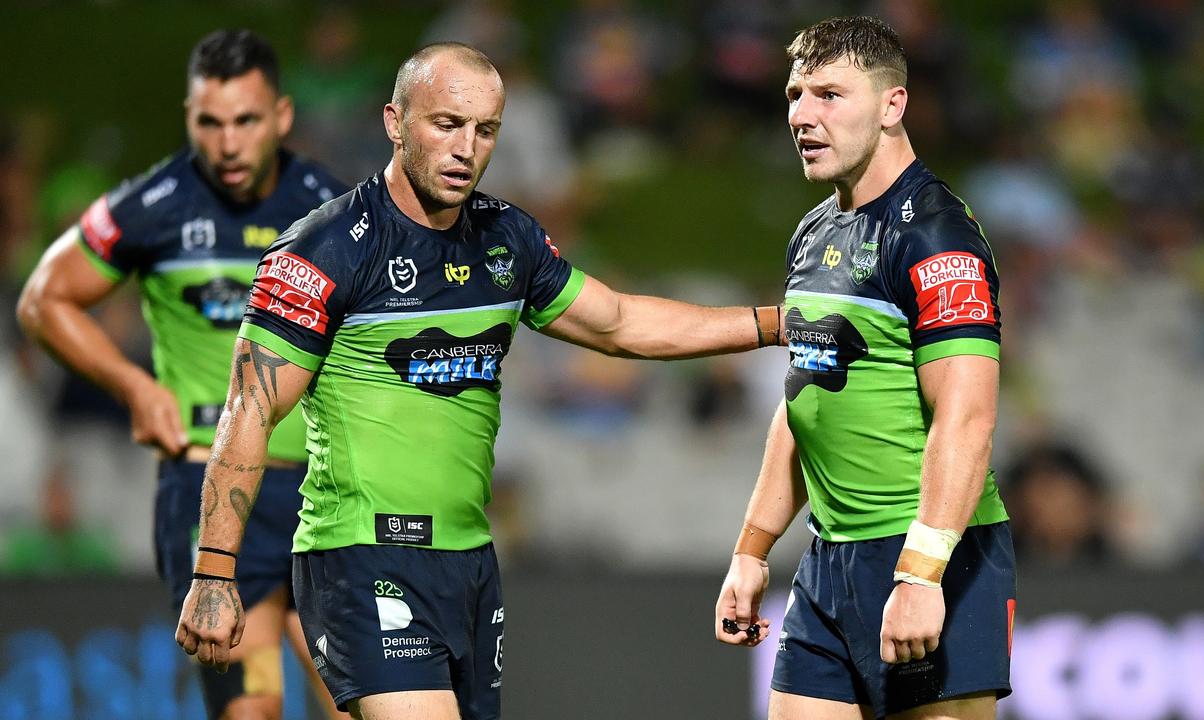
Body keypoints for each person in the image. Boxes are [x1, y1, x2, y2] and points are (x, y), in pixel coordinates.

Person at [172, 42, 783, 720]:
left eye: (485, 130)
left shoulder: (507, 239)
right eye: (445, 124)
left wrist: (774, 323)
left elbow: (617, 324)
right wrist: (214, 570)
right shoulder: (326, 249)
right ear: (394, 123)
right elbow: (249, 409)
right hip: (362, 554)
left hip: (468, 563)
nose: (466, 147)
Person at [16, 30, 348, 720]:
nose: (227, 143)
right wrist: (133, 386)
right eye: (210, 122)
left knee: (357, 707)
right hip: (216, 503)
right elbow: (44, 298)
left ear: (281, 117)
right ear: (189, 116)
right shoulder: (155, 203)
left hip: (327, 496)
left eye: (246, 121)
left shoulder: (336, 209)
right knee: (251, 707)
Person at [713, 16, 1014, 720]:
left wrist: (920, 572)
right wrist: (753, 549)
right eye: (794, 95)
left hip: (936, 555)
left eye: (829, 94)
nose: (801, 116)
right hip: (828, 560)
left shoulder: (937, 235)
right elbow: (805, 399)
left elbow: (967, 419)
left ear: (892, 105)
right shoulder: (815, 231)